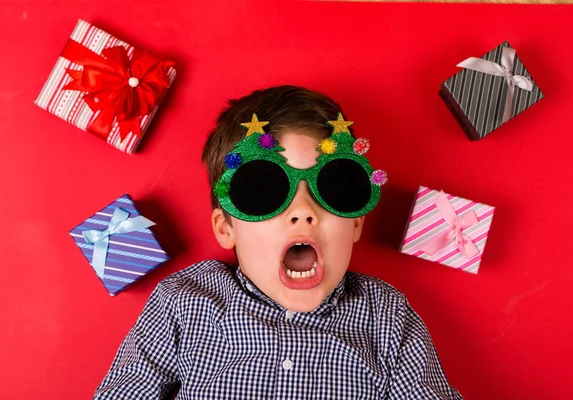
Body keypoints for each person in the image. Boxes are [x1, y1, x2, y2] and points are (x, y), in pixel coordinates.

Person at [93, 85, 463, 399]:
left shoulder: (386, 318)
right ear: (226, 228)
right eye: (264, 192)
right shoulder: (184, 302)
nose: (303, 212)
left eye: (331, 188)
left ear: (355, 225)